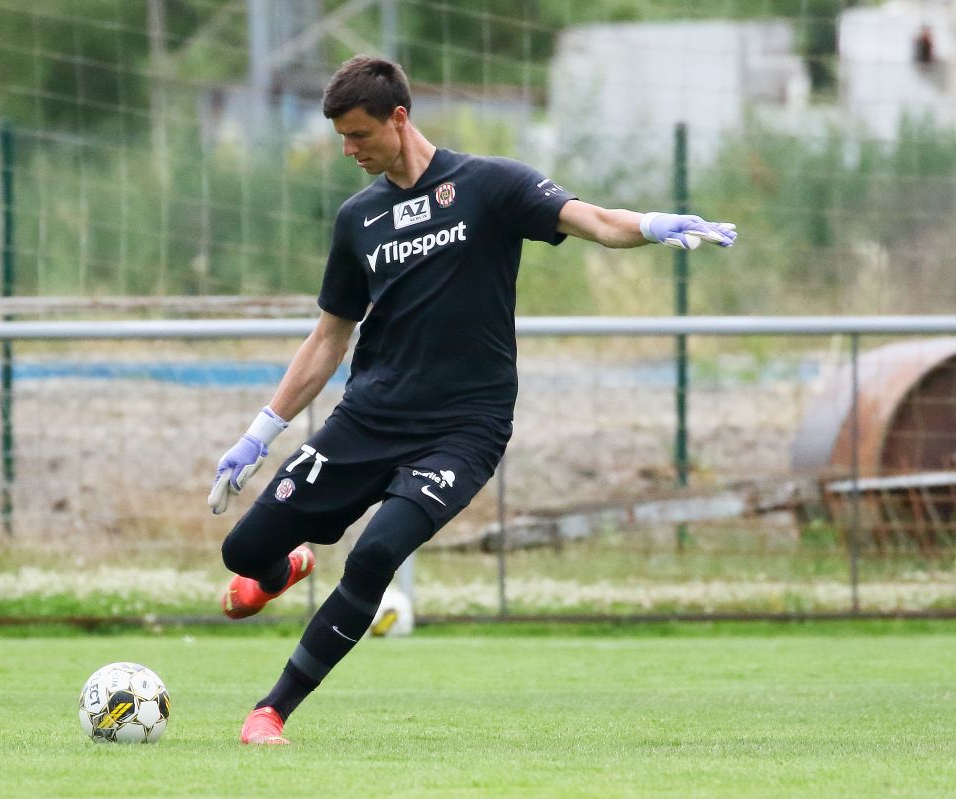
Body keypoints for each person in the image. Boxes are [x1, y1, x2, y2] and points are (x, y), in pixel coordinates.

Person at [207, 55, 737, 745]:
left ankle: (270, 711)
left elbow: (595, 220)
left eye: (359, 134)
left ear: (399, 118)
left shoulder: (490, 185)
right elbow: (330, 336)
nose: (348, 150)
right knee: (243, 551)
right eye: (341, 137)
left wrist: (653, 224)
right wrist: (260, 432)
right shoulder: (358, 219)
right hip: (369, 417)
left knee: (374, 556)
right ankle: (283, 568)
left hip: (462, 431)